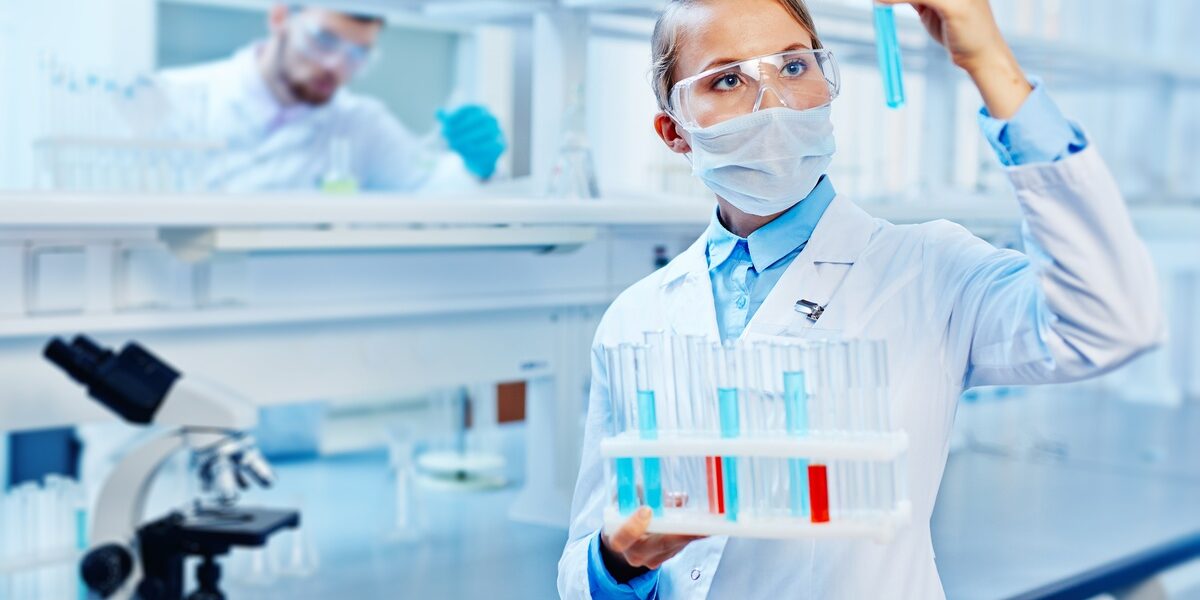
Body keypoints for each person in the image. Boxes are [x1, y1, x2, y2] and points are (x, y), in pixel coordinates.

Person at [558, 0, 1164, 597]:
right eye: (727, 79)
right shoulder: (635, 317)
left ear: (826, 81)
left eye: (794, 67)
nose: (772, 103)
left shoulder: (930, 270)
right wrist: (617, 563)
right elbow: (588, 564)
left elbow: (1109, 322)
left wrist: (990, 64)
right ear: (674, 132)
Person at [158, 5, 506, 192]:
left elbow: (431, 191)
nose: (336, 66)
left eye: (358, 53)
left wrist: (477, 167)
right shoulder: (174, 96)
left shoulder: (363, 124)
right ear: (280, 17)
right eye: (324, 39)